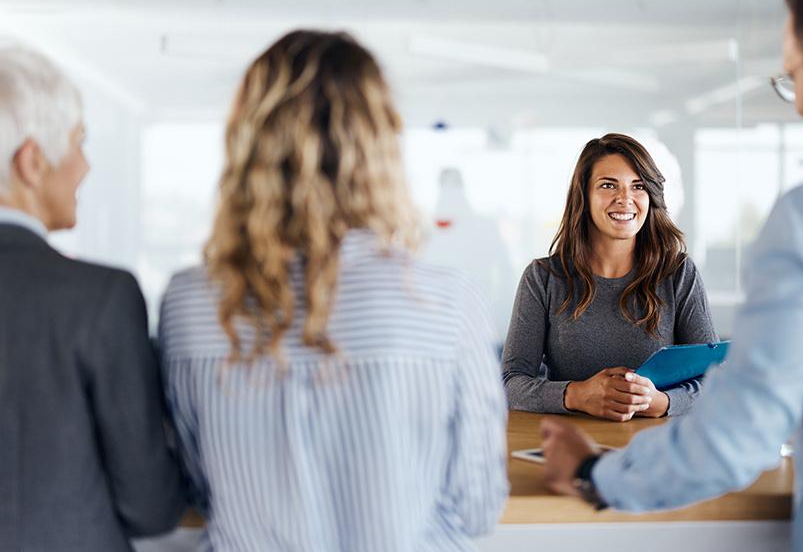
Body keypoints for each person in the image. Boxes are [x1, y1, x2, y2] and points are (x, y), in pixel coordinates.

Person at [541, 0, 803, 552]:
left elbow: (737, 435)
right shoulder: (544, 276)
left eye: (793, 79)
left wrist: (592, 472)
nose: (801, 104)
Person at [157, 30, 508, 551]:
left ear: (248, 143)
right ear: (380, 147)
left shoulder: (189, 302)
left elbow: (200, 487)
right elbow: (476, 508)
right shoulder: (446, 303)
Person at [0, 47, 185, 550]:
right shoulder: (98, 299)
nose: (84, 166)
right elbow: (149, 506)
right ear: (32, 162)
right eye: (80, 143)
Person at [503, 134, 717, 420]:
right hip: (571, 444)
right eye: (608, 185)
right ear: (584, 196)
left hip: (658, 449)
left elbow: (715, 382)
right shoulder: (543, 278)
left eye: (638, 186)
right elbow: (510, 384)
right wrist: (577, 395)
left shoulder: (678, 274)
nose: (624, 199)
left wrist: (662, 402)